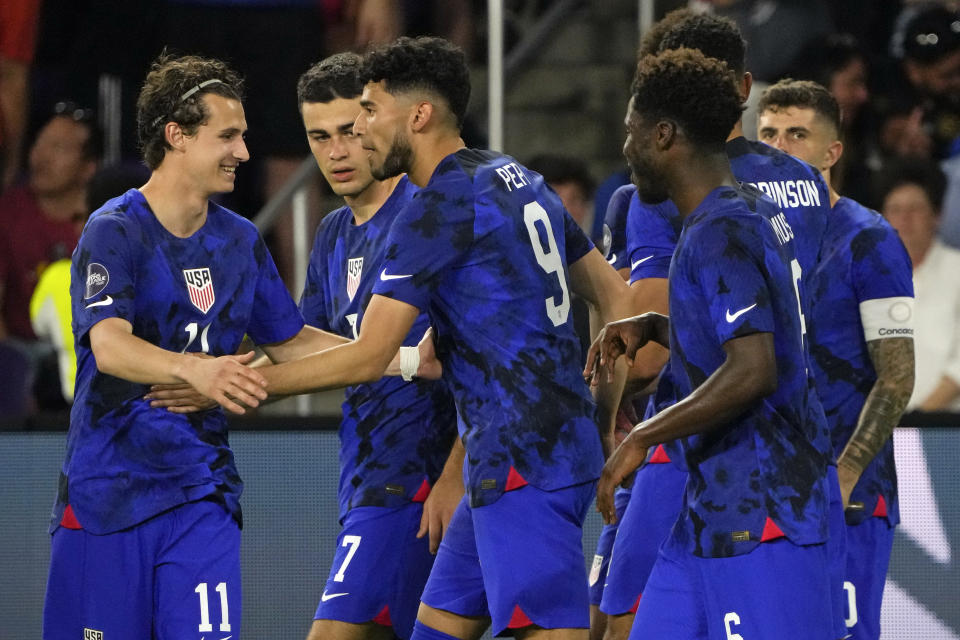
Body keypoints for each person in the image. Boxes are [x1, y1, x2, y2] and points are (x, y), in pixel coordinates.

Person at [260, 36, 635, 640]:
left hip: (523, 459)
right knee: (435, 627)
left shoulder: (435, 209)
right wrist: (600, 416)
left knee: (547, 632)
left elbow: (368, 355)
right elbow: (616, 299)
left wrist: (242, 383)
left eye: (371, 110)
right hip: (513, 455)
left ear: (418, 115)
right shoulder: (516, 176)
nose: (362, 127)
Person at [41, 53, 356, 639]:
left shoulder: (238, 238)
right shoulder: (114, 229)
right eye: (228, 136)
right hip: (109, 496)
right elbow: (110, 347)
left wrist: (398, 357)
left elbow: (288, 342)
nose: (243, 151)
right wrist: (198, 372)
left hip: (200, 490)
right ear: (176, 136)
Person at [595, 13, 838, 640]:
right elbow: (753, 334)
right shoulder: (740, 210)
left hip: (765, 506)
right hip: (708, 502)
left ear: (665, 135)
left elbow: (755, 368)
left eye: (632, 133)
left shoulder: (720, 230)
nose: (625, 148)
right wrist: (654, 325)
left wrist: (641, 434)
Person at [295, 51, 460, 640]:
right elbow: (308, 345)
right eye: (319, 137)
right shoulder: (332, 233)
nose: (336, 151)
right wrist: (212, 373)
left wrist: (454, 476)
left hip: (419, 477)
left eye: (348, 130)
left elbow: (470, 355)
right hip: (364, 477)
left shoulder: (427, 215)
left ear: (373, 122)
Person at [757, 78, 915, 640]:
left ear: (832, 153)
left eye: (797, 134)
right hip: (761, 493)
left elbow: (897, 378)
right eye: (768, 133)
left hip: (848, 497)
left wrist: (843, 477)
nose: (779, 147)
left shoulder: (870, 240)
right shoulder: (747, 238)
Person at [0, 101, 101, 413]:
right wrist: (12, 372)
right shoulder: (7, 212)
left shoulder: (109, 217)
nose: (40, 157)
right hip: (23, 347)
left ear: (88, 167)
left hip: (96, 348)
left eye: (57, 148)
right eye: (39, 144)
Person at [878, 159, 960, 412]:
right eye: (895, 210)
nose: (904, 219)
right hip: (882, 428)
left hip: (946, 427)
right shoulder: (870, 279)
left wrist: (921, 417)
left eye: (915, 209)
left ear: (937, 216)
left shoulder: (956, 271)